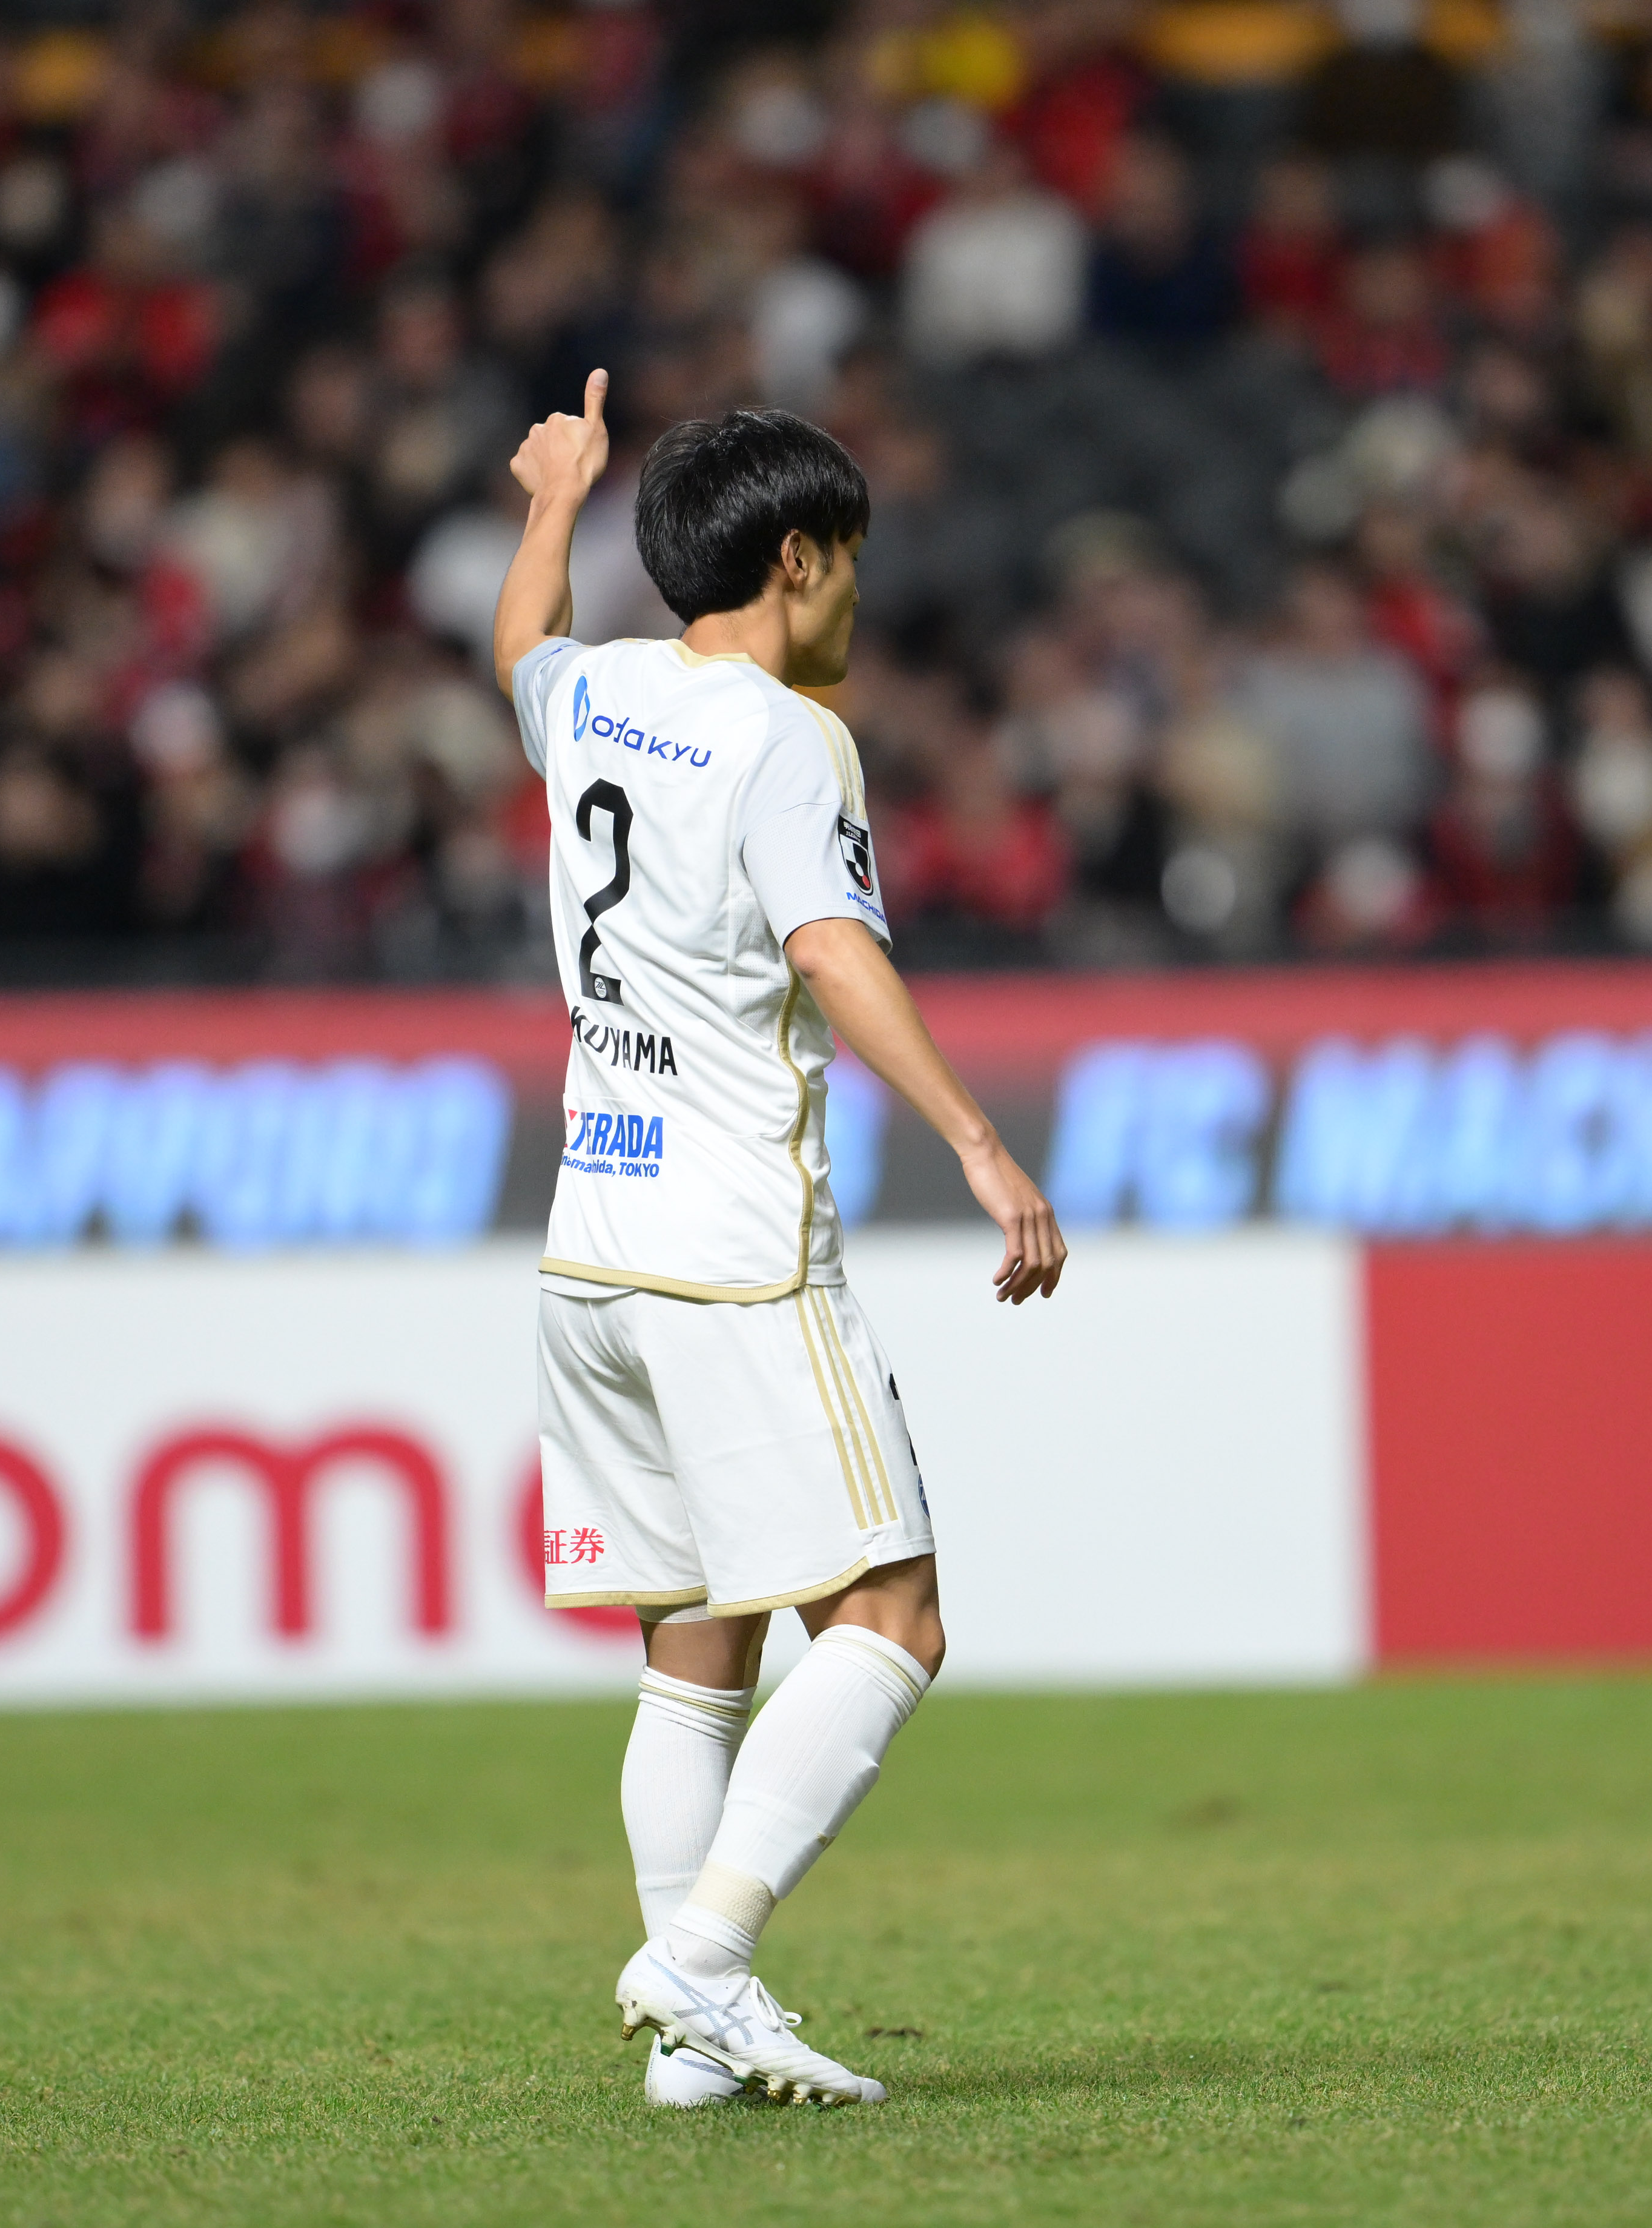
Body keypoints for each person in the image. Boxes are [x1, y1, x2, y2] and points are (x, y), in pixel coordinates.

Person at [491, 382, 1068, 2109]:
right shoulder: (785, 736)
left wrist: (554, 500)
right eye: (854, 562)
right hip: (735, 1247)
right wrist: (978, 1140)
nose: (863, 596)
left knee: (694, 1652)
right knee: (892, 1616)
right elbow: (828, 945)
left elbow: (521, 647)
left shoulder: (600, 694)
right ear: (798, 559)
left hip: (591, 1245)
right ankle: (705, 1957)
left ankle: (697, 2042)